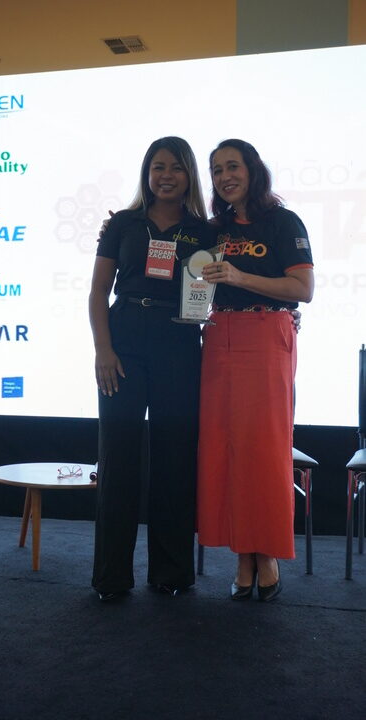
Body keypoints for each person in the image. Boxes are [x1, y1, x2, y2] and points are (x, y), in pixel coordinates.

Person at [89, 136, 216, 600]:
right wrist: (104, 350)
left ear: (189, 176)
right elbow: (98, 292)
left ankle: (171, 573)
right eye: (158, 167)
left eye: (176, 168)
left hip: (178, 342)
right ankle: (111, 578)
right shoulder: (123, 224)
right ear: (147, 173)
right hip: (123, 341)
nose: (167, 176)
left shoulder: (205, 232)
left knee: (175, 459)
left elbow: (218, 289)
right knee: (118, 458)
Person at [197, 139, 314, 601]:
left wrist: (239, 277)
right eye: (217, 169)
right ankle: (241, 553)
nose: (225, 176)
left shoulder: (283, 221)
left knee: (263, 450)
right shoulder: (214, 229)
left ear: (252, 170)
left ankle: (265, 554)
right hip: (219, 338)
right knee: (224, 449)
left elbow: (302, 289)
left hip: (267, 337)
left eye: (233, 166)